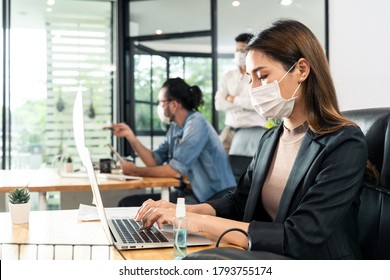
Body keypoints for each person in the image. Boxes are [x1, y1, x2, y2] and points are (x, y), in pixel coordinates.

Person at [133, 19, 375, 259]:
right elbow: (239, 202)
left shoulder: (344, 143)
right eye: (251, 79)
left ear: (301, 70)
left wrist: (195, 222)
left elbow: (299, 237)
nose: (254, 89)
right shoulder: (270, 138)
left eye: (263, 76)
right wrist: (180, 210)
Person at [112, 77, 236, 206]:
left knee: (138, 207)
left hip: (215, 198)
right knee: (128, 203)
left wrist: (135, 170)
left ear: (174, 105)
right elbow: (154, 161)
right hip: (191, 194)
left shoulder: (196, 123)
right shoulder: (176, 127)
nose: (159, 107)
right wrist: (131, 137)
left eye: (161, 102)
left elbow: (175, 171)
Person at [215, 33, 266, 153]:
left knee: (244, 167)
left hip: (253, 129)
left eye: (242, 50)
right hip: (230, 129)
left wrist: (233, 99)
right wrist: (244, 103)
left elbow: (258, 104)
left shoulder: (261, 75)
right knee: (218, 161)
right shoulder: (228, 76)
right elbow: (219, 104)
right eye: (237, 50)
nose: (239, 53)